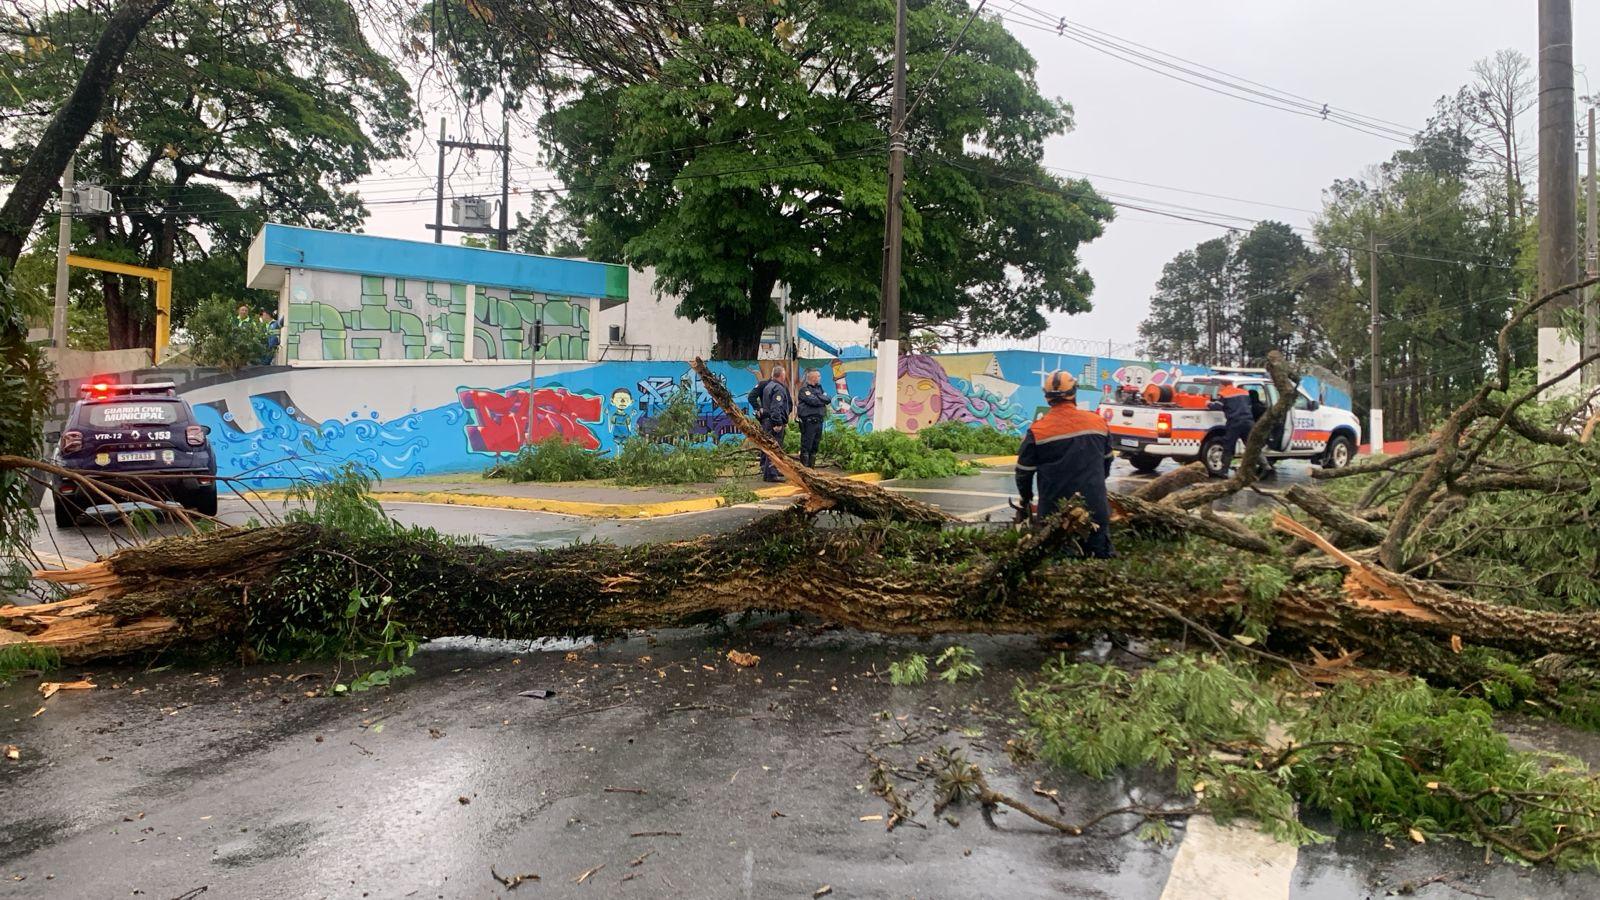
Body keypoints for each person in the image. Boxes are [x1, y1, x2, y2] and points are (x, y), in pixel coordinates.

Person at [1014, 371, 1114, 558]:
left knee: (1057, 565)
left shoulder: (1038, 431)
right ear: (1074, 392)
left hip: (1055, 516)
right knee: (1099, 564)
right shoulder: (1098, 423)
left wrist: (1026, 500)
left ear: (1047, 397)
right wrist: (1095, 484)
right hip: (1095, 509)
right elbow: (1107, 463)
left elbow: (1023, 473)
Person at [748, 366, 792, 481]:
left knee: (771, 446)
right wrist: (778, 422)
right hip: (771, 421)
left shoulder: (770, 386)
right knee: (773, 448)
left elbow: (788, 404)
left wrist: (784, 419)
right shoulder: (773, 386)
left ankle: (772, 470)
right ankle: (770, 472)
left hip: (772, 419)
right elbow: (775, 407)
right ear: (782, 375)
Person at [1207, 382, 1255, 476]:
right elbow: (1249, 406)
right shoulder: (1244, 392)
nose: (1219, 388)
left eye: (1220, 386)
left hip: (1235, 423)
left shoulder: (1225, 393)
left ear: (1223, 385)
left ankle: (1224, 471)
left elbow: (1217, 406)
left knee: (1228, 446)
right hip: (1248, 422)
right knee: (1251, 445)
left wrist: (1208, 403)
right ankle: (1264, 467)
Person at [796, 368, 828, 468]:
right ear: (813, 377)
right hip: (809, 422)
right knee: (807, 446)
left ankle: (811, 468)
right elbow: (813, 401)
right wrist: (821, 397)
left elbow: (828, 399)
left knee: (815, 446)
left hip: (819, 421)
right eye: (818, 376)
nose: (820, 378)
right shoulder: (804, 389)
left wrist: (818, 396)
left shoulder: (819, 388)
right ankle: (805, 470)